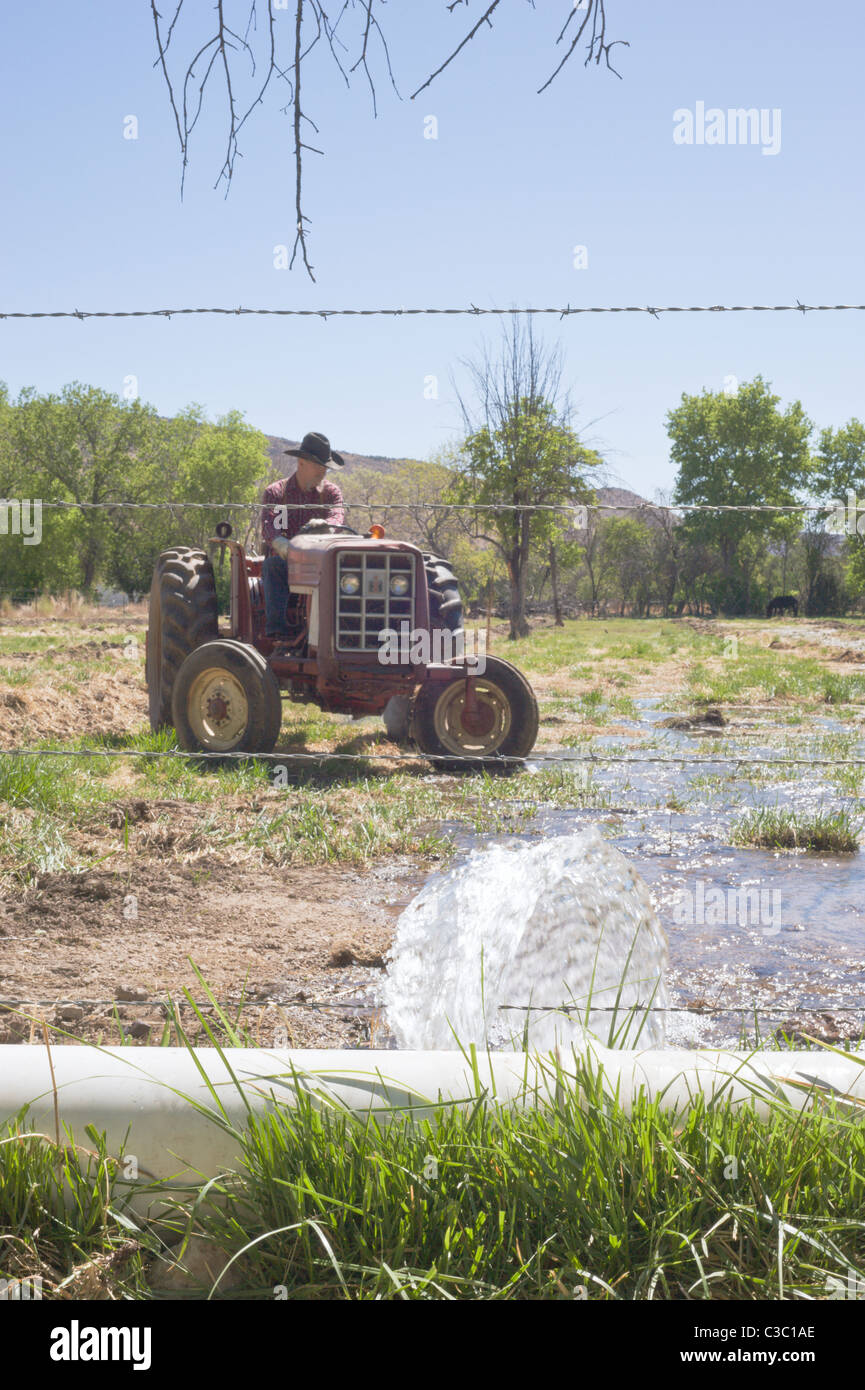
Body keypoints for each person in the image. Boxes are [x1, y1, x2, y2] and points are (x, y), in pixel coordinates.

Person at [261, 431, 346, 641]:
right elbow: (270, 527)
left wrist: (328, 527)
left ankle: (343, 630)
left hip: (323, 563)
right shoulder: (277, 493)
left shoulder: (331, 493)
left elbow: (338, 515)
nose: (323, 471)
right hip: (287, 562)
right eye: (318, 465)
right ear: (301, 463)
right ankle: (278, 630)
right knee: (273, 567)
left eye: (324, 466)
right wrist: (284, 546)